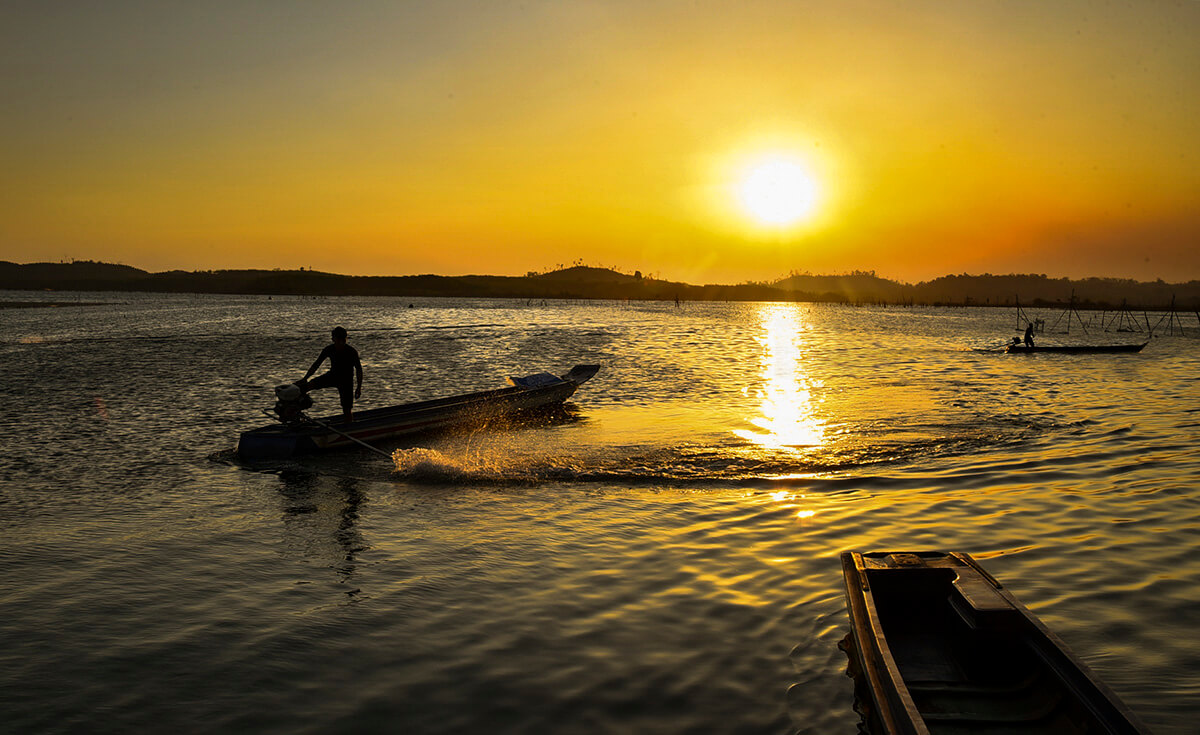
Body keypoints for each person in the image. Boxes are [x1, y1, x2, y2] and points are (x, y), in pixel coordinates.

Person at [301, 326, 363, 423]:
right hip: (332, 376)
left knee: (347, 408)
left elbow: (359, 370)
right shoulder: (329, 349)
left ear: (339, 339)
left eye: (333, 337)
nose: (332, 339)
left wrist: (359, 387)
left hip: (346, 381)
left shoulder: (351, 351)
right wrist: (305, 378)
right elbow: (316, 364)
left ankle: (349, 425)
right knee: (307, 386)